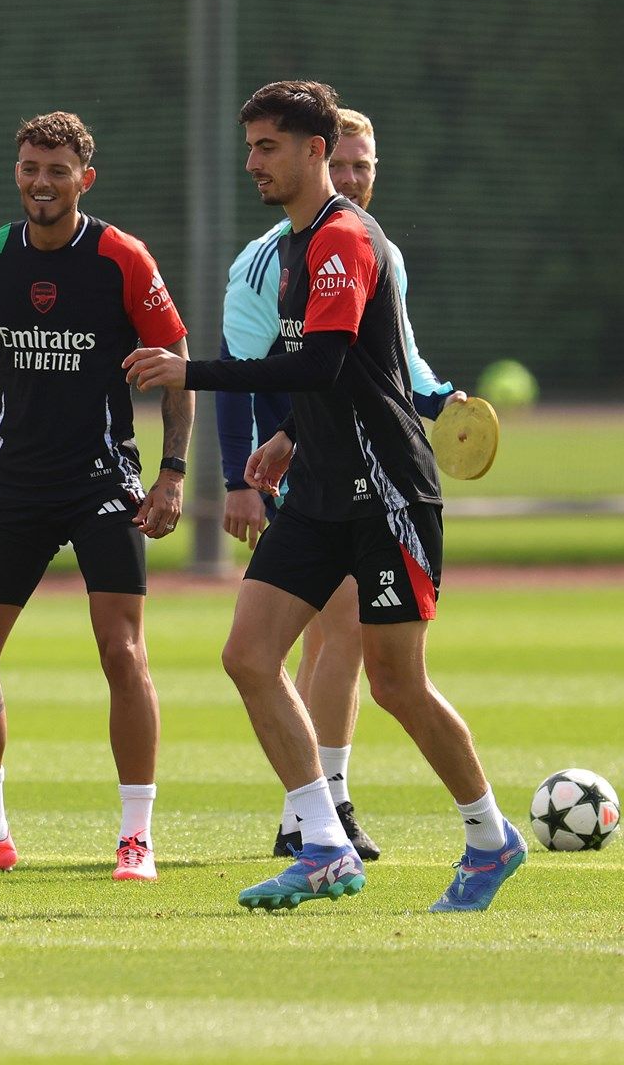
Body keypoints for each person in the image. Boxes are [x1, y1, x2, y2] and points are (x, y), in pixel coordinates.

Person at [126, 80, 525, 912]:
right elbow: (334, 375)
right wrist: (290, 437)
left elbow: (324, 363)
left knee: (396, 684)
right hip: (317, 492)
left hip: (386, 493)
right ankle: (324, 846)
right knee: (247, 655)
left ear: (315, 153)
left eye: (267, 147)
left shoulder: (343, 241)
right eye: (251, 147)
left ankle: (490, 839)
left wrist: (187, 371)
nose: (252, 163)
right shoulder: (295, 248)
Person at [0, 113, 193, 883]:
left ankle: (136, 837)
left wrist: (171, 474)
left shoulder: (120, 259)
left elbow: (176, 362)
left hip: (103, 483)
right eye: (31, 167)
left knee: (121, 652)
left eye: (57, 170)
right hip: (18, 486)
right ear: (18, 172)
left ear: (84, 179)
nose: (42, 182)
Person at [216, 107, 467, 862]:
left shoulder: (370, 248)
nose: (357, 178)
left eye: (368, 166)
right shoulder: (266, 260)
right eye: (348, 164)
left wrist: (439, 401)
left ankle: (316, 813)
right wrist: (241, 477)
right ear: (323, 158)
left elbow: (395, 367)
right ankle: (326, 807)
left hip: (352, 464)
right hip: (307, 475)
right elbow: (239, 376)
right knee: (334, 636)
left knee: (335, 640)